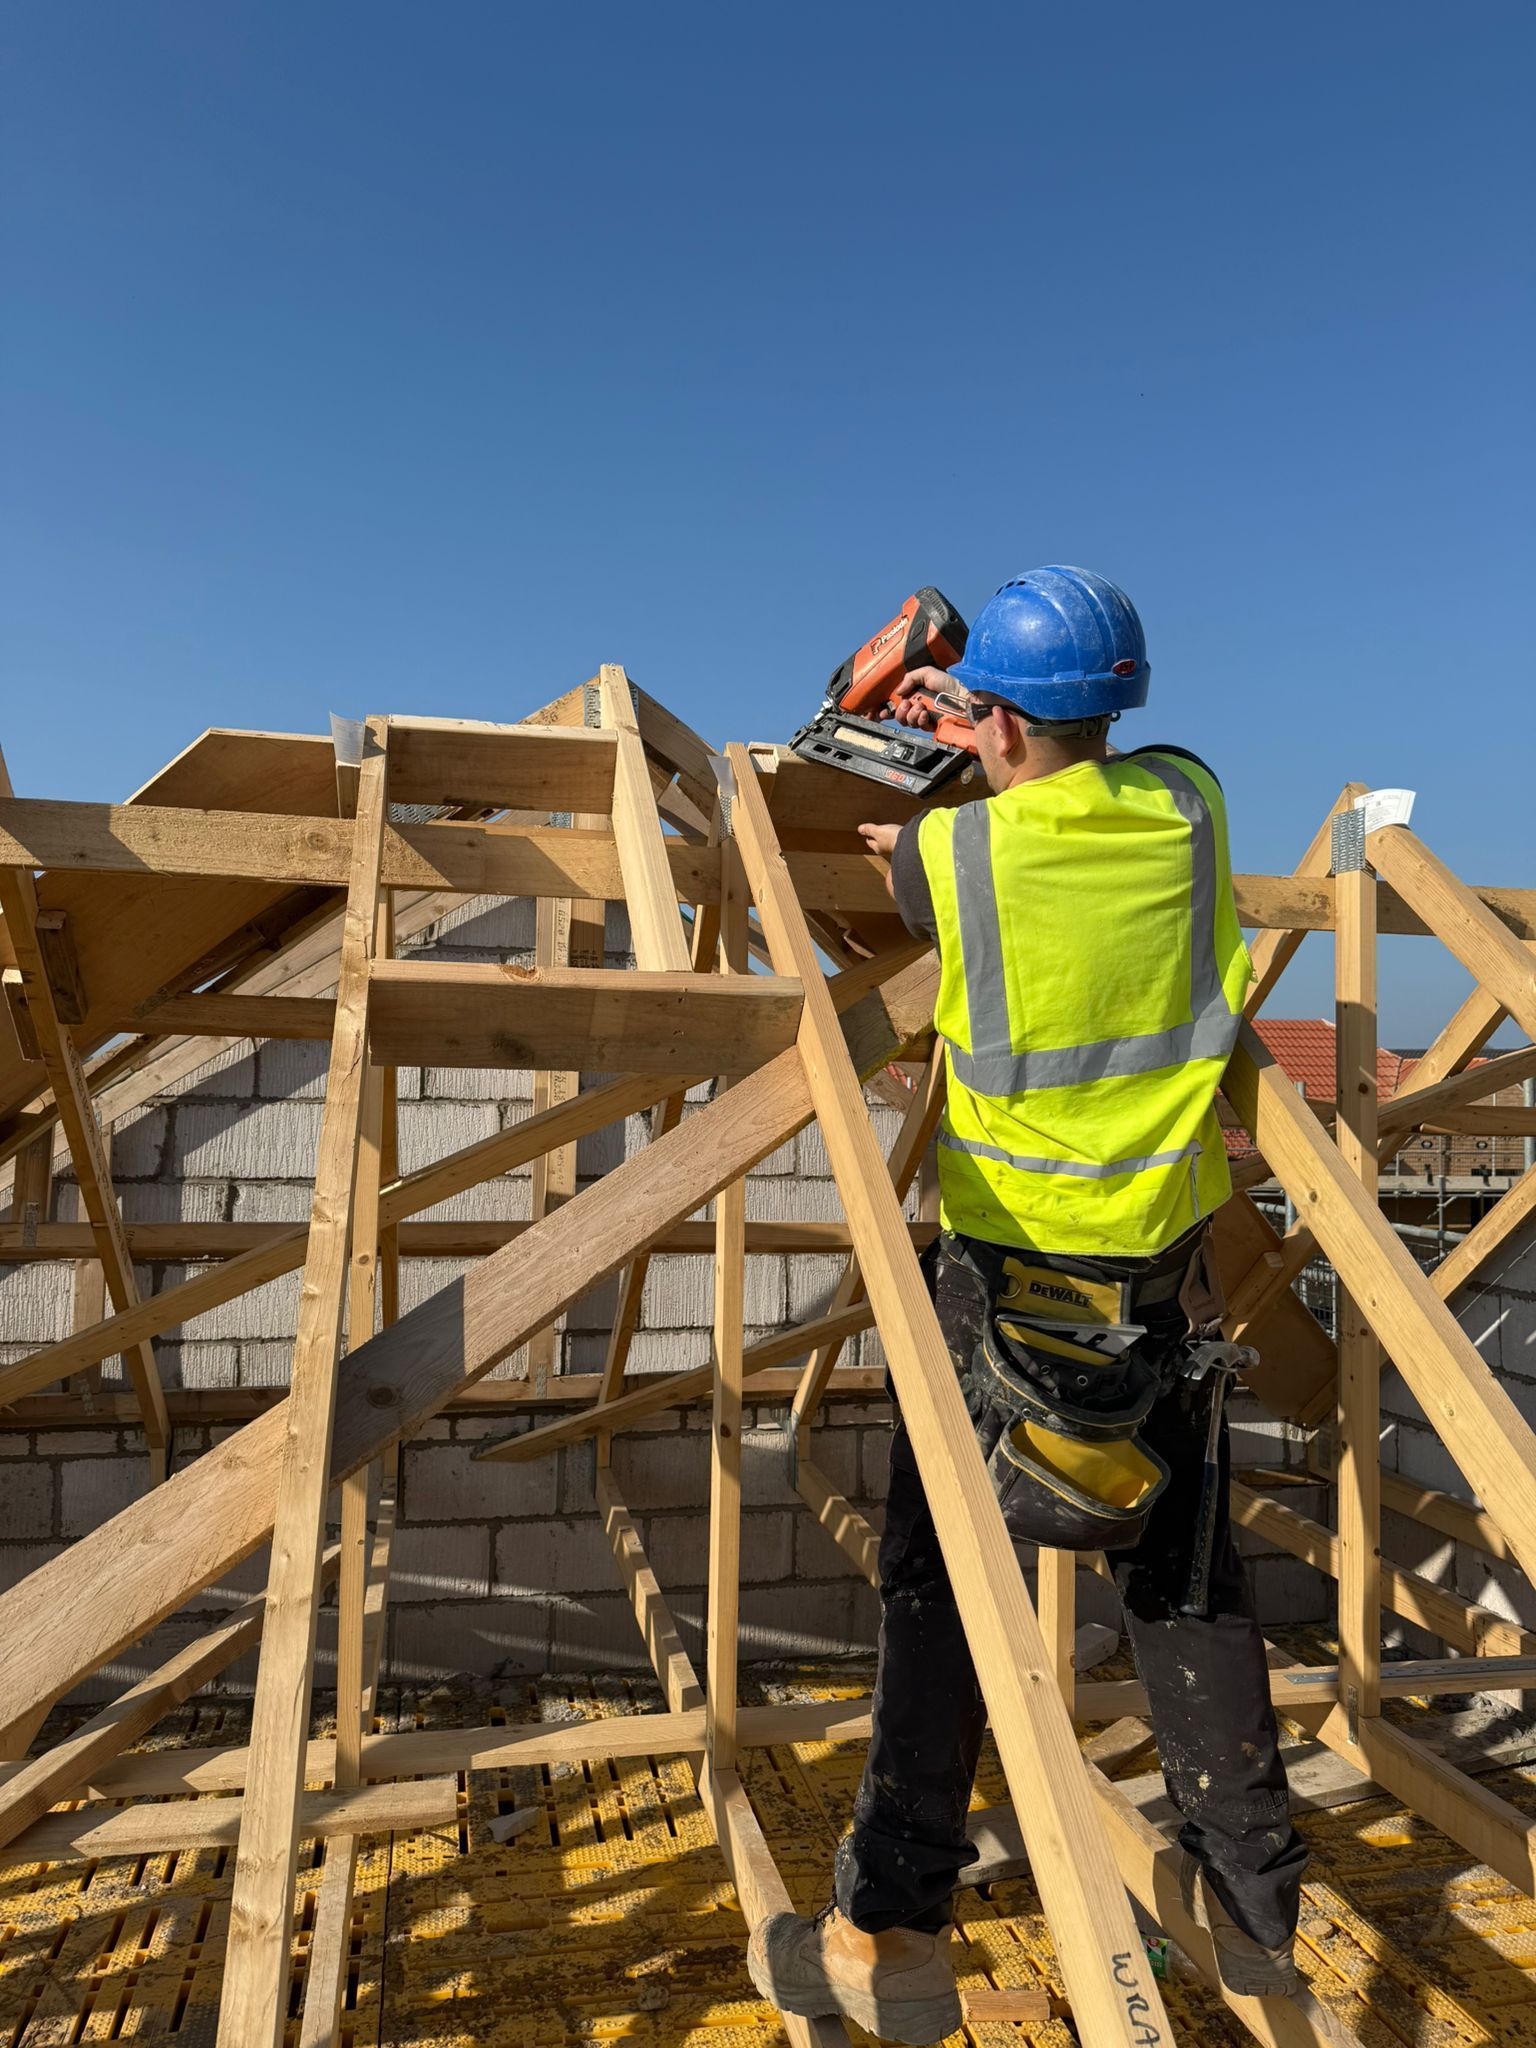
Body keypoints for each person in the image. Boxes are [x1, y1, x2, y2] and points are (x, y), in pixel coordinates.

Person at [748, 567, 1308, 2045]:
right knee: (1189, 1583)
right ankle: (1255, 1934)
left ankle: (891, 1937)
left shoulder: (952, 858)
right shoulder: (1189, 805)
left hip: (1003, 1284)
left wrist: (919, 801)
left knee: (943, 1598)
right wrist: (983, 734)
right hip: (1163, 1278)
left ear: (985, 719)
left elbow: (928, 864)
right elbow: (1063, 809)